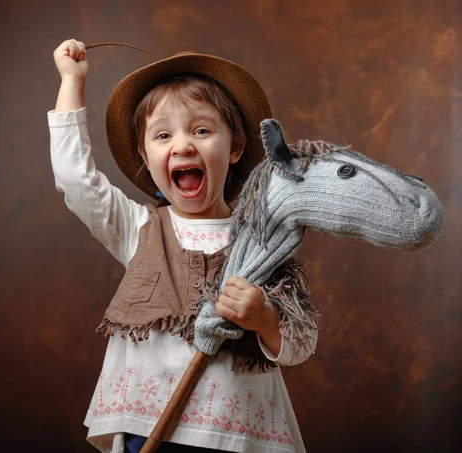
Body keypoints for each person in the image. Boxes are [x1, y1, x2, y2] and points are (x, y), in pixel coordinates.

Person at [49, 38, 318, 453]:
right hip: (149, 427)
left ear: (236, 148)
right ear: (145, 154)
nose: (182, 145)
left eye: (202, 130)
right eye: (162, 135)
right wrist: (72, 82)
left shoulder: (264, 241)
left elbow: (302, 341)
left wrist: (265, 320)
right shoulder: (138, 227)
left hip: (238, 435)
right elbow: (75, 180)